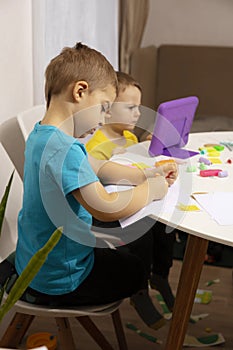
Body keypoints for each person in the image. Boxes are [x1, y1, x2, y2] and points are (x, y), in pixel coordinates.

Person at [3, 43, 177, 330]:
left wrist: (143, 174)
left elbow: (97, 167)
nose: (103, 118)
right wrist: (152, 191)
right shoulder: (65, 150)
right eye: (104, 108)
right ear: (80, 91)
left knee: (122, 248)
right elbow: (106, 208)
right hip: (62, 279)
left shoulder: (42, 135)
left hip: (36, 265)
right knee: (135, 269)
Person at [86, 71, 176, 312]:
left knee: (167, 226)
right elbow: (97, 180)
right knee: (143, 234)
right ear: (107, 110)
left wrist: (147, 142)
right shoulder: (97, 144)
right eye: (130, 107)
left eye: (139, 107)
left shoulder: (127, 136)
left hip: (135, 199)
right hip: (110, 208)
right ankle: (139, 289)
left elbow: (137, 160)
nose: (138, 113)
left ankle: (160, 274)